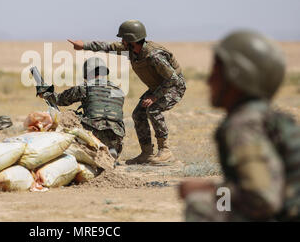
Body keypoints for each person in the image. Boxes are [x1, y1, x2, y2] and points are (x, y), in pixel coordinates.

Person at [180, 30, 300, 221]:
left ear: (237, 78)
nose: (209, 80)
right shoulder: (266, 117)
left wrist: (209, 189)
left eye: (216, 73)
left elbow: (262, 198)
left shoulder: (244, 124)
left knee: (200, 203)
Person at [68, 20, 185, 165]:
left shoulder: (154, 56)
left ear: (132, 40)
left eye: (123, 38)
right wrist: (83, 46)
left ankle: (165, 151)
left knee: (153, 110)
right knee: (138, 113)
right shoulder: (130, 49)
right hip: (157, 87)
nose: (121, 41)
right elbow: (107, 47)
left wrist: (155, 97)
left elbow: (173, 79)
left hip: (173, 86)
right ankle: (147, 153)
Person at [39, 57, 126, 159]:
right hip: (116, 137)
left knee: (69, 115)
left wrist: (45, 93)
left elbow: (59, 100)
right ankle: (110, 148)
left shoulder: (85, 87)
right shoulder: (119, 91)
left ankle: (85, 148)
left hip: (94, 134)